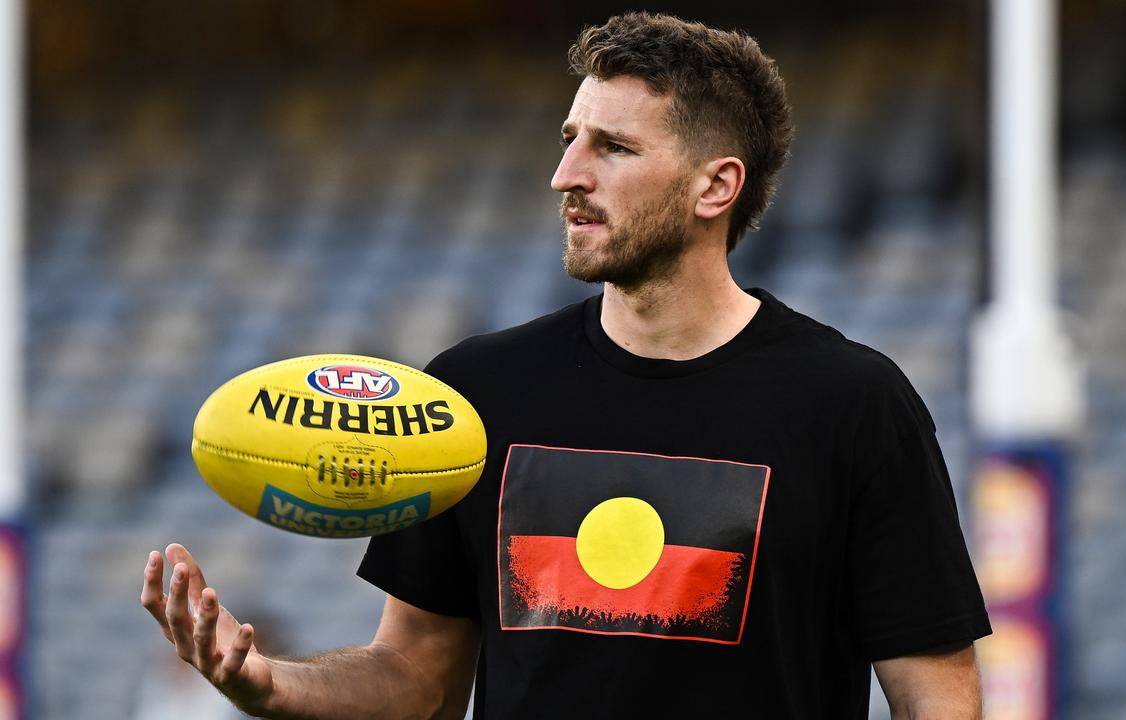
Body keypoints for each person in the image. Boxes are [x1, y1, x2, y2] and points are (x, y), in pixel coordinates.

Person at [142, 12, 991, 719]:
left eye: (612, 148)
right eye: (568, 139)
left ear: (715, 187)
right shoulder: (474, 396)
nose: (565, 175)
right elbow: (416, 679)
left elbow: (938, 701)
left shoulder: (852, 405)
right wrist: (265, 685)